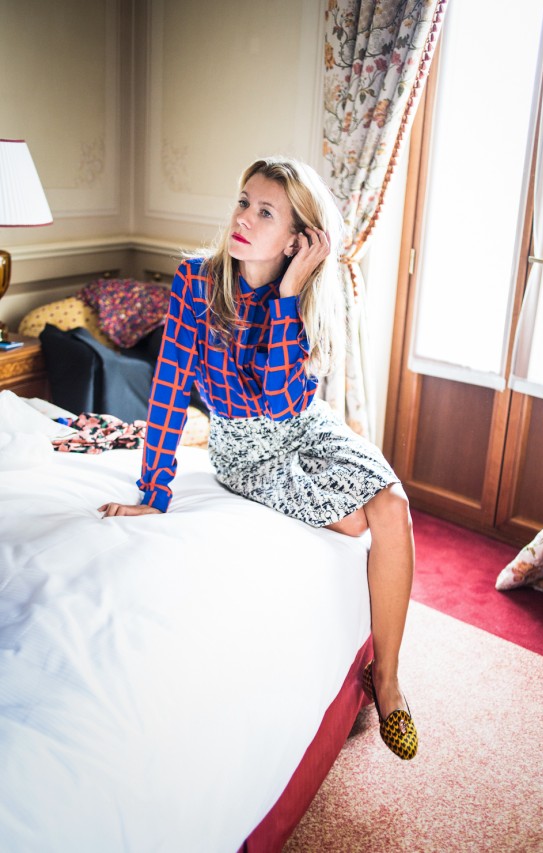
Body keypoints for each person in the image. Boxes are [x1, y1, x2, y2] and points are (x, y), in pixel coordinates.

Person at [99, 156, 418, 760]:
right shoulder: (197, 281)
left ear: (299, 239)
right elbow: (169, 388)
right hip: (246, 449)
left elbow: (282, 400)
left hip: (305, 423)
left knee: (392, 504)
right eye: (244, 201)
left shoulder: (306, 295)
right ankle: (384, 671)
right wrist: (154, 493)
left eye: (265, 212)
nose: (242, 218)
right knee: (356, 522)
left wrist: (289, 293)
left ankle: (389, 680)